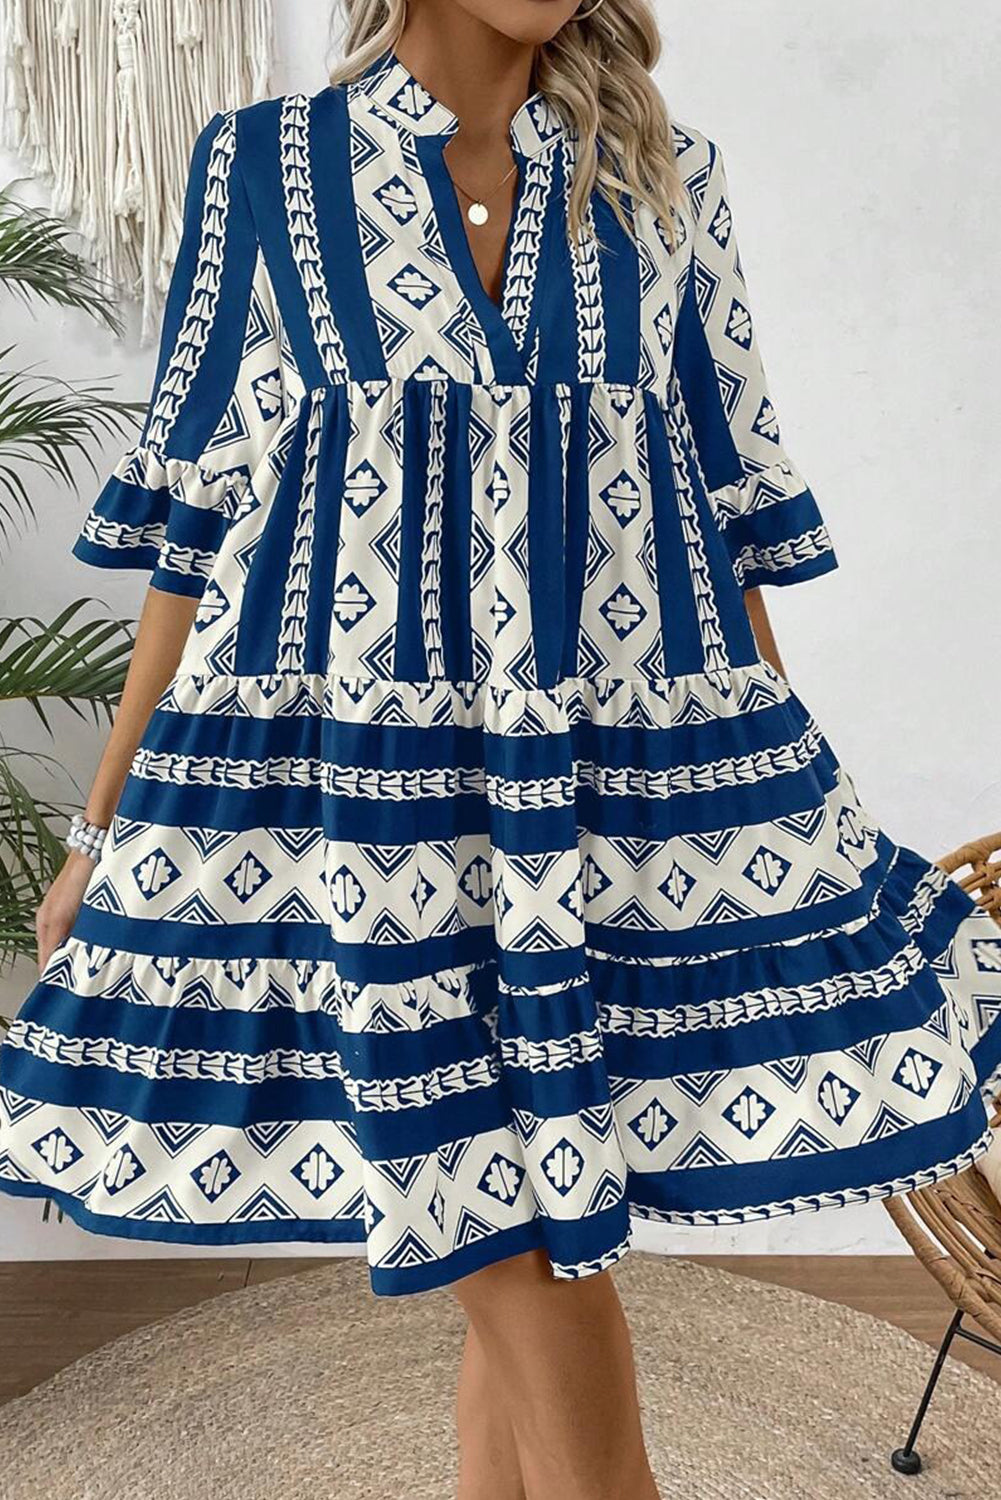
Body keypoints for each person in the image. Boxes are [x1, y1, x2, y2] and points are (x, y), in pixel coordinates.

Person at [1, 2, 999, 1496]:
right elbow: (192, 513)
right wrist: (101, 828)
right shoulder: (264, 165)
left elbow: (725, 500)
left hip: (609, 773)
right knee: (495, 1213)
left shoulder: (666, 175)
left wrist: (782, 796)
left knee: (521, 1200)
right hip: (347, 784)